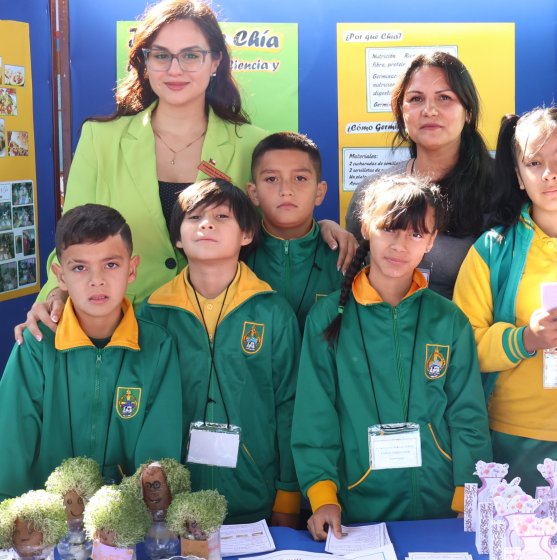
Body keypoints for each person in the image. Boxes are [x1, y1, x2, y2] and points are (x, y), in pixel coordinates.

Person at [14, 0, 354, 343]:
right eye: (161, 55)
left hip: (223, 335)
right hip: (126, 332)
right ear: (145, 62)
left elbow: (277, 221)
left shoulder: (254, 144)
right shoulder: (101, 140)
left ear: (216, 61)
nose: (175, 69)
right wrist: (56, 295)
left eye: (191, 55)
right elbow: (72, 240)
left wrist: (320, 226)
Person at [292, 174, 492, 539]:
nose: (400, 245)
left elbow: (468, 416)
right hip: (356, 509)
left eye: (416, 234)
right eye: (390, 229)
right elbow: (314, 417)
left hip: (441, 506)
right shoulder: (327, 318)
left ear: (431, 240)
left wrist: (468, 491)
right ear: (367, 226)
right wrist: (322, 496)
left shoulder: (448, 319)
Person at [452, 107, 557, 494]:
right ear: (517, 175)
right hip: (510, 437)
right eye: (533, 162)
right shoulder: (492, 250)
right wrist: (525, 339)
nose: (549, 173)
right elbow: (463, 346)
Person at [137, 179, 300, 526]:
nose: (206, 224)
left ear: (246, 234)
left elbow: (290, 406)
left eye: (222, 216)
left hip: (256, 498)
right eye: (194, 218)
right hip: (172, 506)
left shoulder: (272, 311)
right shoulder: (153, 314)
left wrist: (288, 494)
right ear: (178, 237)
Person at [0, 204, 183, 497]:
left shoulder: (157, 346)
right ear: (60, 276)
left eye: (111, 264)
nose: (96, 280)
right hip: (47, 519)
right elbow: (11, 442)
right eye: (79, 267)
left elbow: (158, 449)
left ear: (132, 269)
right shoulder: (36, 345)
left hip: (125, 520)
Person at [344, 51, 495, 299]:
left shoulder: (501, 188)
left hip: (465, 335)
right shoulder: (373, 191)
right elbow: (351, 270)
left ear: (467, 112)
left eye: (444, 98)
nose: (429, 110)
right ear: (401, 113)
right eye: (416, 99)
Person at [245, 132, 344, 330]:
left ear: (319, 192)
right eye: (272, 179)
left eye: (300, 178)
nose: (286, 190)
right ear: (253, 193)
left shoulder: (345, 258)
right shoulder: (235, 257)